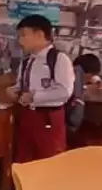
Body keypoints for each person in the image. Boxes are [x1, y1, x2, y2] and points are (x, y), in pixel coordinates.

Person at [8, 16, 74, 163]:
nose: (20, 40)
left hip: (48, 117)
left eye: (24, 35)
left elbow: (65, 92)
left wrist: (35, 97)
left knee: (48, 161)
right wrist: (14, 91)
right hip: (26, 117)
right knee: (23, 160)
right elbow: (21, 85)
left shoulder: (59, 59)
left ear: (39, 35)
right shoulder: (27, 61)